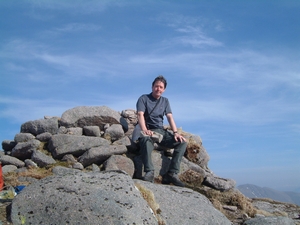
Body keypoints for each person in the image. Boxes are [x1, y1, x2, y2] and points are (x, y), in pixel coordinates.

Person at [136, 75, 187, 187]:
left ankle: (172, 173)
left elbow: (169, 117)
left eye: (161, 87)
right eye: (156, 86)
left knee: (182, 142)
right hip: (148, 129)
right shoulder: (143, 98)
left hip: (160, 131)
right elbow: (140, 114)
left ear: (164, 89)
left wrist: (175, 133)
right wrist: (145, 130)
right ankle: (149, 172)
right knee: (145, 140)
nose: (158, 89)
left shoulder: (165, 101)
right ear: (152, 87)